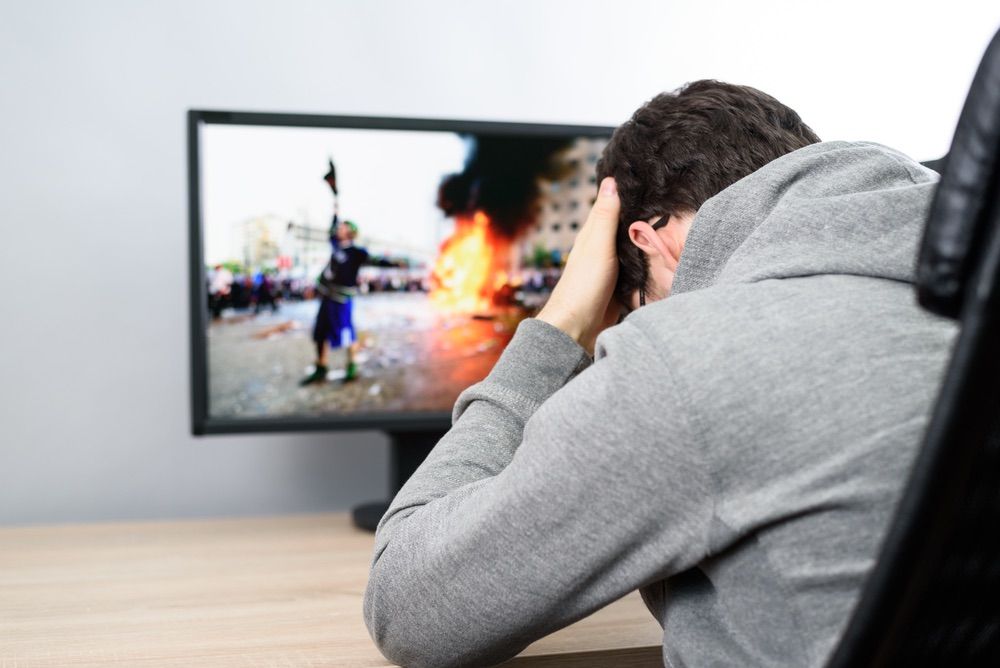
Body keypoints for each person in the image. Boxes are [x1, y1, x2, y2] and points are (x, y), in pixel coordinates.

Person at [363, 81, 957, 667]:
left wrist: (561, 325)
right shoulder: (969, 298)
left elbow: (406, 605)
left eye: (633, 306)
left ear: (650, 240)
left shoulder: (691, 356)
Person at [300, 217, 369, 385]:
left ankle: (352, 365)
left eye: (343, 227)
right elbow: (331, 230)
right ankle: (321, 368)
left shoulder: (357, 252)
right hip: (326, 297)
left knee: (346, 332)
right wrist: (335, 204)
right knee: (320, 332)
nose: (338, 229)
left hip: (342, 300)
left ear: (350, 232)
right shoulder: (336, 246)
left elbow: (373, 259)